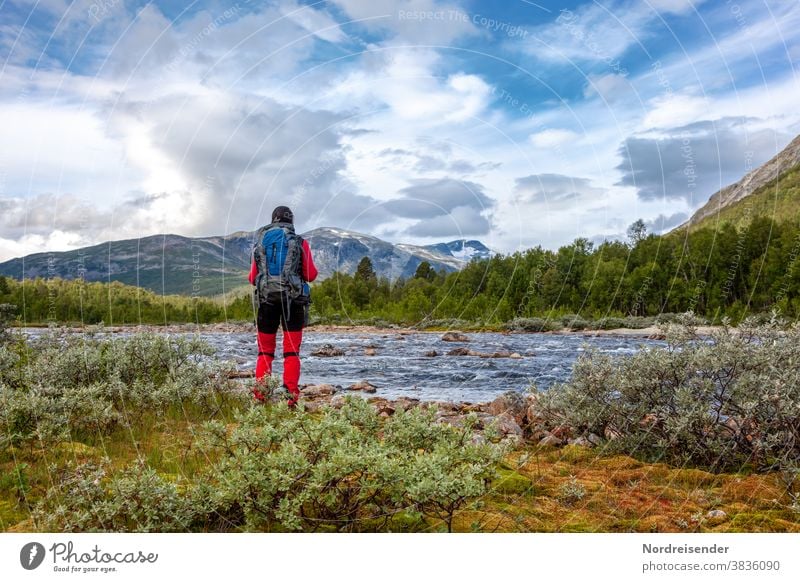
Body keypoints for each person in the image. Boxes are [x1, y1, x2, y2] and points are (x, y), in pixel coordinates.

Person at [248, 205, 318, 406]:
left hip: (266, 301)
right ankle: (290, 401)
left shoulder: (261, 243)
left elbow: (253, 278)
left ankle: (261, 398)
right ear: (291, 222)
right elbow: (310, 275)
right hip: (293, 302)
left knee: (264, 351)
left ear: (273, 220)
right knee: (291, 352)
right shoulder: (299, 243)